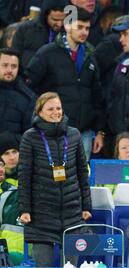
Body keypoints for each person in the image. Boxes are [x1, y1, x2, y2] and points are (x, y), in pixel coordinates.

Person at [18, 92, 92, 267]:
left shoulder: (74, 135)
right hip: (40, 217)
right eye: (50, 109)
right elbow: (24, 176)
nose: (56, 112)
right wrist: (24, 209)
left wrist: (86, 206)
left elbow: (82, 172)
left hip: (72, 215)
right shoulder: (30, 137)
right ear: (40, 112)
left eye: (58, 108)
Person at [26, 6, 106, 161]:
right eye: (80, 27)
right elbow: (29, 87)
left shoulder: (90, 56)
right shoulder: (47, 53)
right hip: (52, 130)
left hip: (84, 132)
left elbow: (97, 97)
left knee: (81, 178)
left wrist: (100, 131)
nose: (84, 32)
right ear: (67, 25)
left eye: (87, 28)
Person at [12, 0, 68, 68]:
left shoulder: (69, 32)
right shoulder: (26, 29)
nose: (59, 24)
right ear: (45, 15)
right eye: (55, 20)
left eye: (62, 20)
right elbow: (14, 55)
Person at [0, 48, 36, 142]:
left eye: (14, 66)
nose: (9, 70)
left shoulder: (28, 97)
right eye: (5, 65)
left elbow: (29, 136)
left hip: (13, 154)